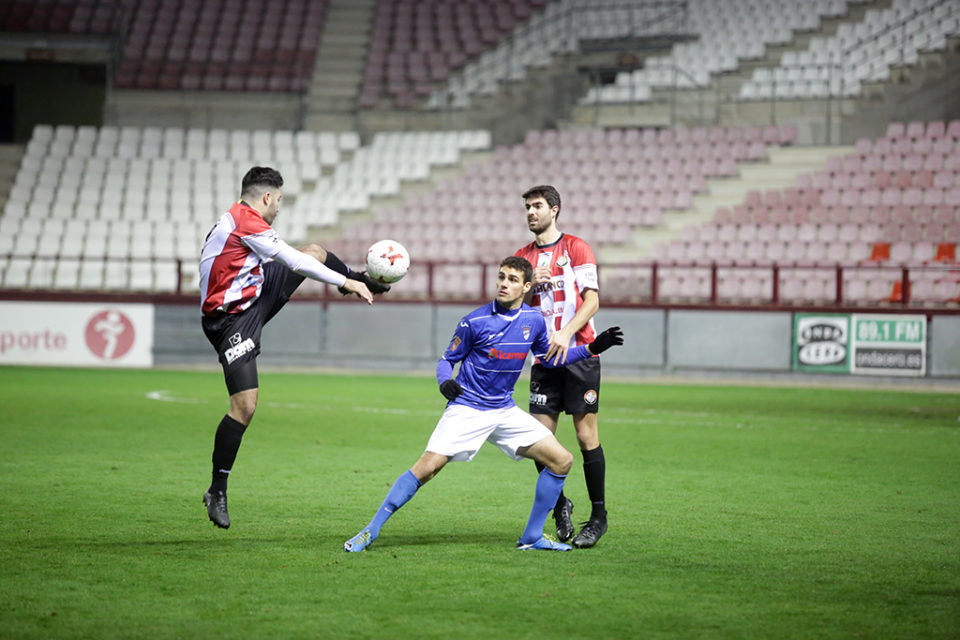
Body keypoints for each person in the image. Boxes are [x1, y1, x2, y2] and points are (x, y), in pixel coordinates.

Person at [343, 256, 623, 552]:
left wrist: (591, 348)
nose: (504, 283)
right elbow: (446, 360)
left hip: (503, 410)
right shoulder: (474, 321)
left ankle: (532, 536)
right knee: (426, 469)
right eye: (501, 277)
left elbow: (551, 359)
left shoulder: (534, 321)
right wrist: (444, 382)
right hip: (467, 408)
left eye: (513, 280)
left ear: (527, 286)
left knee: (562, 460)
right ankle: (370, 531)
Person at [200, 166, 389, 529]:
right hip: (229, 321)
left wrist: (353, 278)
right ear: (267, 197)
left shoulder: (241, 220)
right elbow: (292, 260)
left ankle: (362, 278)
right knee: (245, 405)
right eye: (280, 200)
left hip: (254, 294)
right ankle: (218, 489)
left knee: (316, 250)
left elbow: (304, 257)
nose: (279, 208)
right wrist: (346, 282)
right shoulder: (245, 222)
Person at [514, 184, 608, 548]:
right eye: (527, 207)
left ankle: (598, 517)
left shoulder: (576, 248)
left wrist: (567, 333)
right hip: (543, 360)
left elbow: (593, 300)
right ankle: (560, 504)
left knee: (586, 437)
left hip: (579, 354)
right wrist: (526, 288)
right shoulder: (522, 258)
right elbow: (510, 307)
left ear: (554, 210)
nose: (530, 213)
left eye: (537, 206)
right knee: (539, 441)